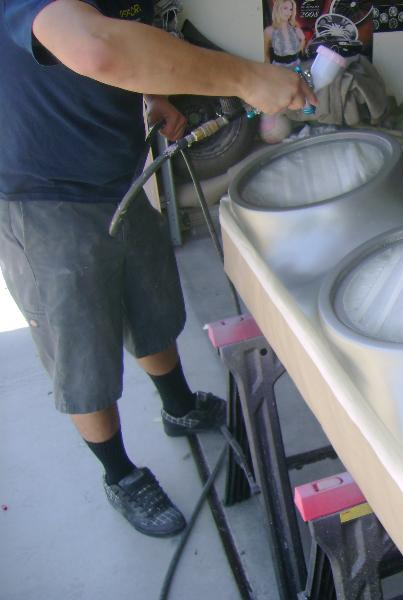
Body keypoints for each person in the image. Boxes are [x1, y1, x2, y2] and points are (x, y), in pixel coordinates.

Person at [0, 0, 315, 538]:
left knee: (150, 301)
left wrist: (151, 93)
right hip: (45, 198)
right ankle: (120, 474)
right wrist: (246, 78)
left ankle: (178, 405)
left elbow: (119, 35)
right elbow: (96, 47)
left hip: (116, 177)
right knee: (83, 350)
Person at [264, 0, 306, 69]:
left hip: (296, 66)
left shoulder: (296, 29)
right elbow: (265, 53)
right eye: (285, 8)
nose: (289, 12)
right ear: (278, 9)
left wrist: (301, 44)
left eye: (291, 9)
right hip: (278, 68)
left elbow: (303, 40)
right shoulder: (269, 31)